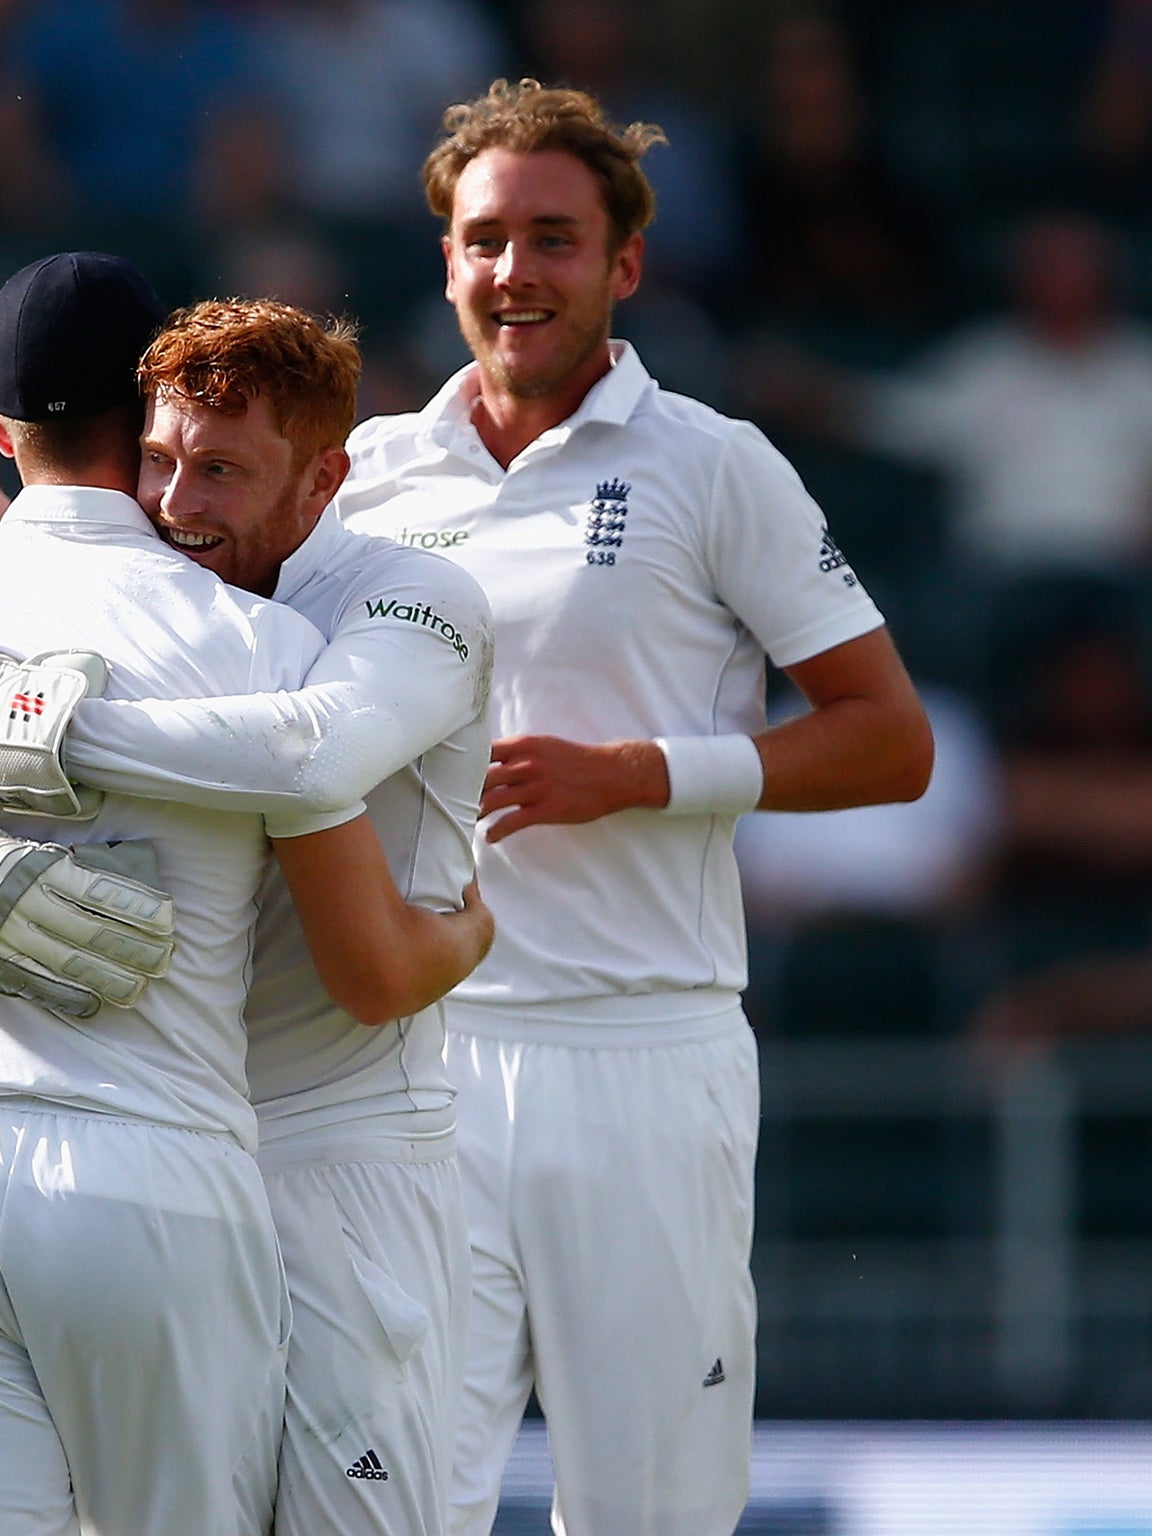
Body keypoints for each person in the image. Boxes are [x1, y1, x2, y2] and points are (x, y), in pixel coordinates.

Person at [331, 81, 934, 1536]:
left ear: (626, 266)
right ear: (446, 259)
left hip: (647, 1052)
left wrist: (645, 775)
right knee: (392, 1505)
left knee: (649, 1516)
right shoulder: (366, 475)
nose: (515, 274)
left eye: (554, 239)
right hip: (421, 1070)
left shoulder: (713, 463)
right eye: (486, 239)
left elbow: (889, 739)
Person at [0, 254, 492, 1536]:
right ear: (144, 418)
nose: (180, 498)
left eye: (218, 469)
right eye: (168, 457)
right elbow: (363, 957)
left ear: (1, 427)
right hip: (165, 1163)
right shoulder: (252, 638)